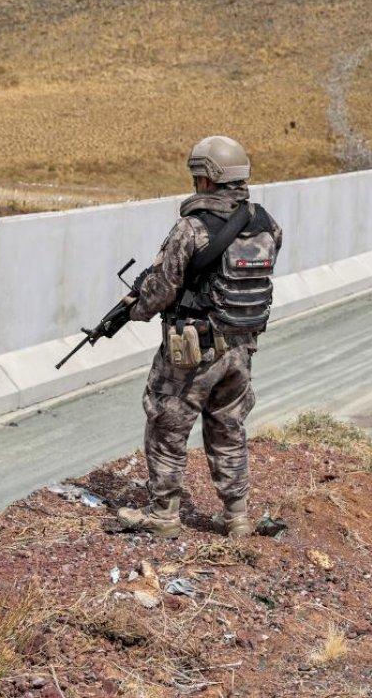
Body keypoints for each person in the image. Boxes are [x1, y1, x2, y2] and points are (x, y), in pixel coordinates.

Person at [117, 136, 282, 539]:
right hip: (241, 348)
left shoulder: (191, 229)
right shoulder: (266, 224)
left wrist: (135, 309)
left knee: (167, 424)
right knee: (229, 428)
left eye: (198, 176)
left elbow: (161, 290)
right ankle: (237, 516)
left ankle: (164, 516)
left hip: (194, 351)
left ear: (208, 179)